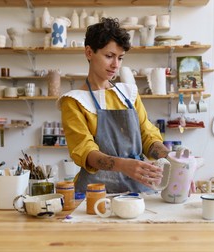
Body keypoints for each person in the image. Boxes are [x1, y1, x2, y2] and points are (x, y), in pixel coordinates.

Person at [58, 18, 170, 194]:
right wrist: (124, 165)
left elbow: (148, 136)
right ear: (89, 52)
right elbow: (85, 151)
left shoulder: (129, 94)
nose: (115, 65)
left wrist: (172, 160)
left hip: (138, 189)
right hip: (95, 192)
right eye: (109, 56)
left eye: (120, 58)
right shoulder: (74, 101)